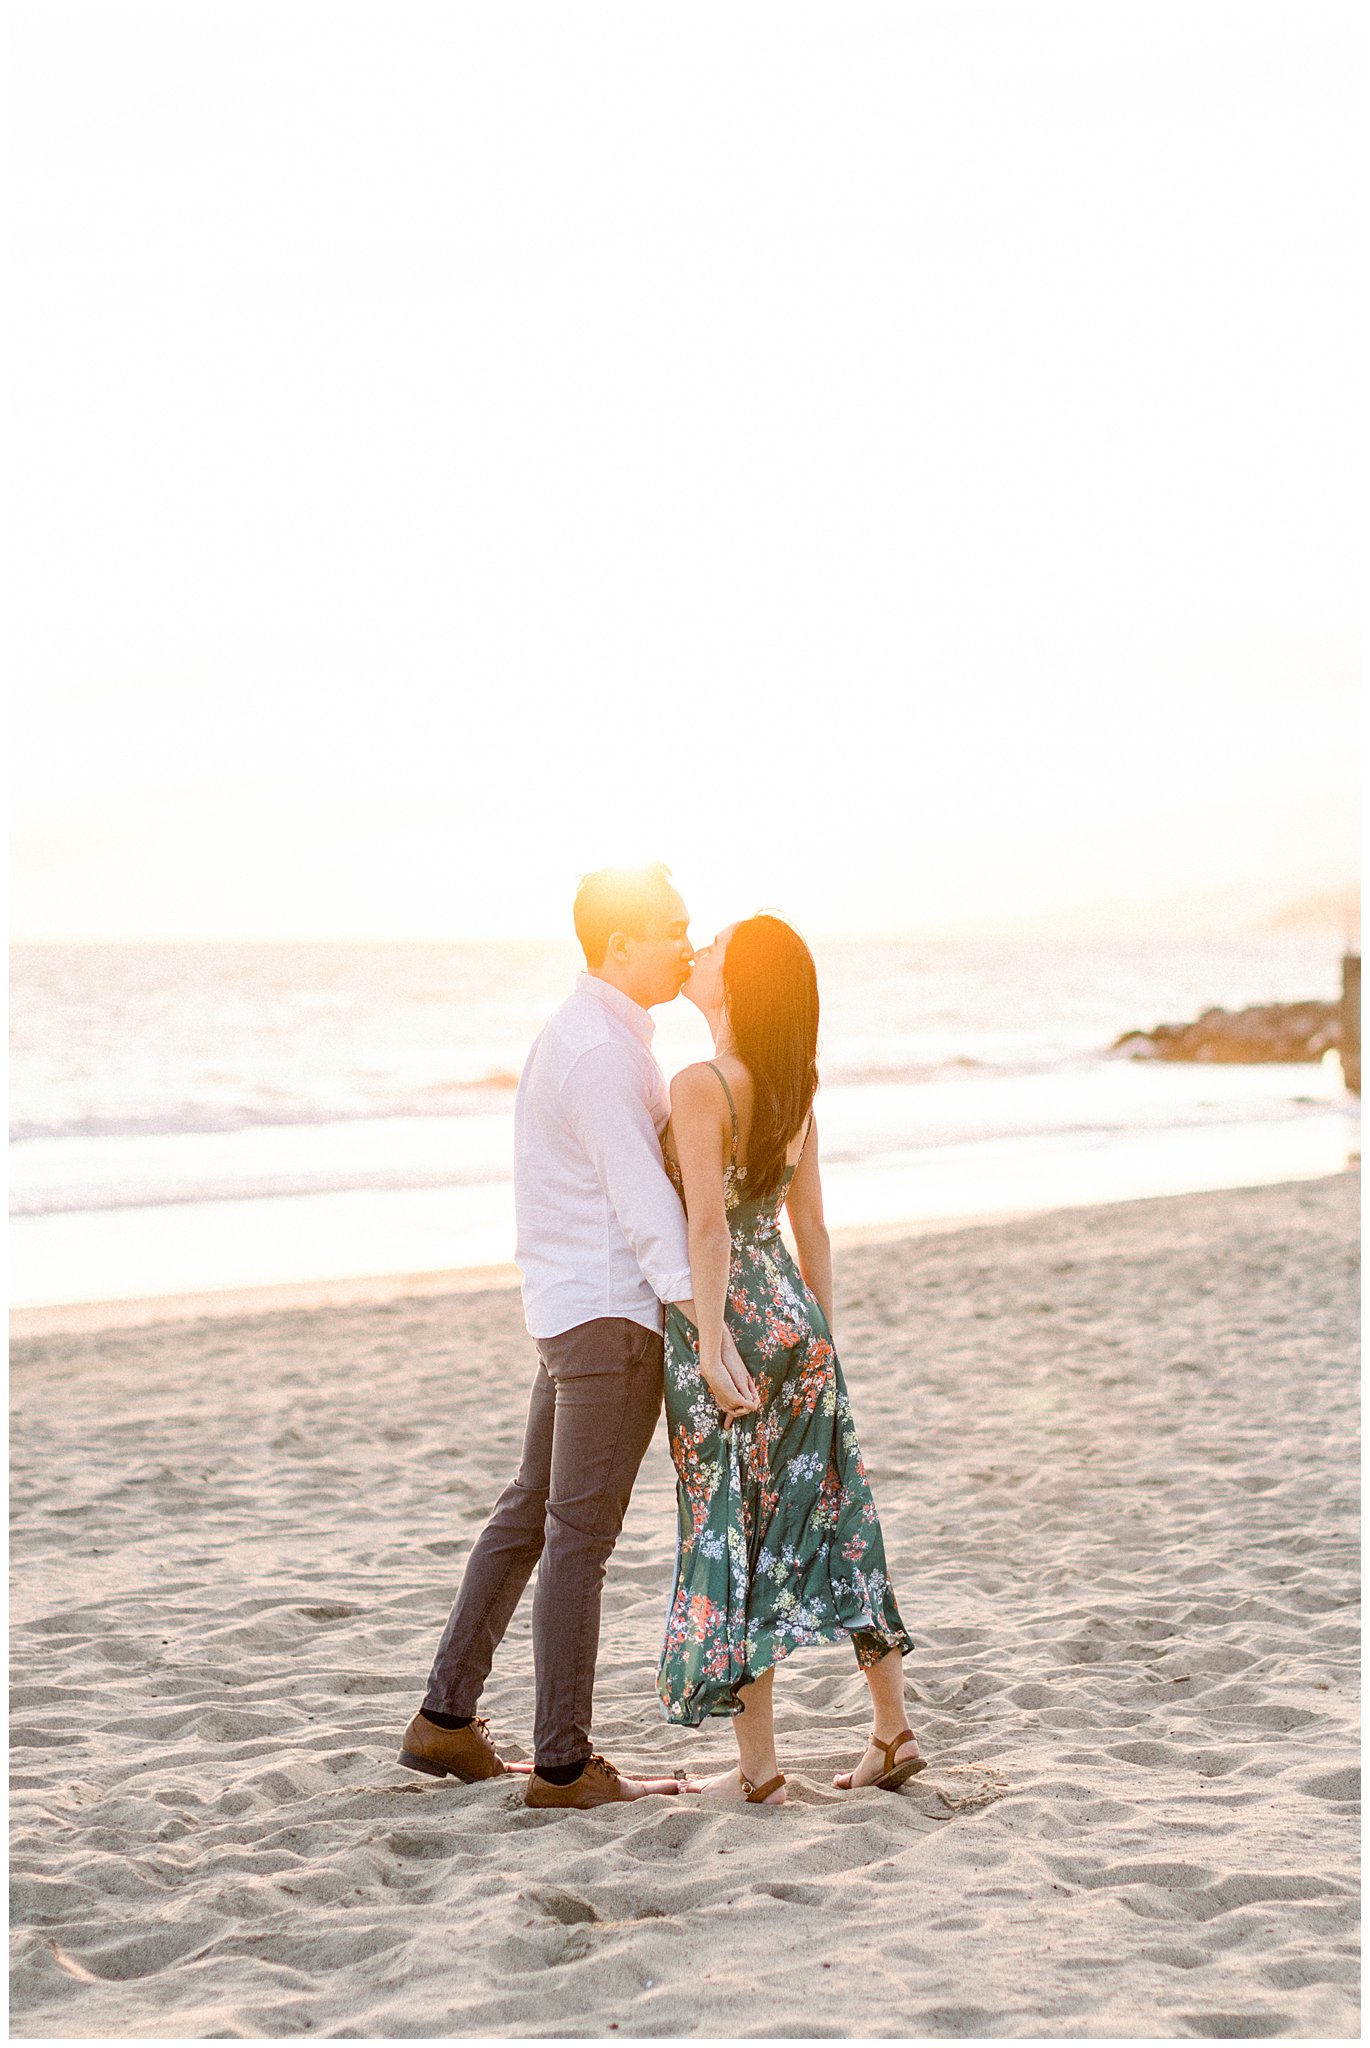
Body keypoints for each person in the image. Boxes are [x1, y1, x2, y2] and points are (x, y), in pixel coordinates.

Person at [398, 863, 754, 1810]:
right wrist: (708, 1335)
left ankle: (444, 1721)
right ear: (620, 945)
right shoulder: (601, 1052)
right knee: (575, 1539)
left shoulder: (597, 1035)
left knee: (528, 1517)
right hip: (608, 1318)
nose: (688, 941)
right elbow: (645, 1210)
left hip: (570, 1311)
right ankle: (562, 1764)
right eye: (674, 928)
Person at [659, 913, 924, 1805]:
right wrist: (822, 1348)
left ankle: (761, 1771)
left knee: (735, 1529)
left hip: (729, 1314)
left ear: (740, 984)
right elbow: (809, 1229)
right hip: (797, 1317)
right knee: (837, 1516)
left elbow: (704, 1226)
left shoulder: (701, 1085)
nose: (700, 954)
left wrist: (712, 1340)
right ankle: (892, 1730)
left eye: (718, 948)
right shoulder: (792, 1085)